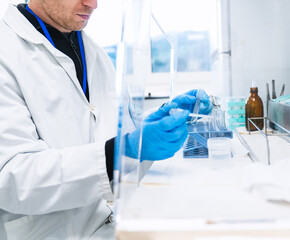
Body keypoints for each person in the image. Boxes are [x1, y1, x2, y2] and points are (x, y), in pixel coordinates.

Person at [0, 0, 212, 239]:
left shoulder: (94, 52)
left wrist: (159, 119)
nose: (93, 4)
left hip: (108, 225)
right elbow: (10, 180)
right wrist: (119, 152)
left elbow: (108, 133)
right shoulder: (6, 53)